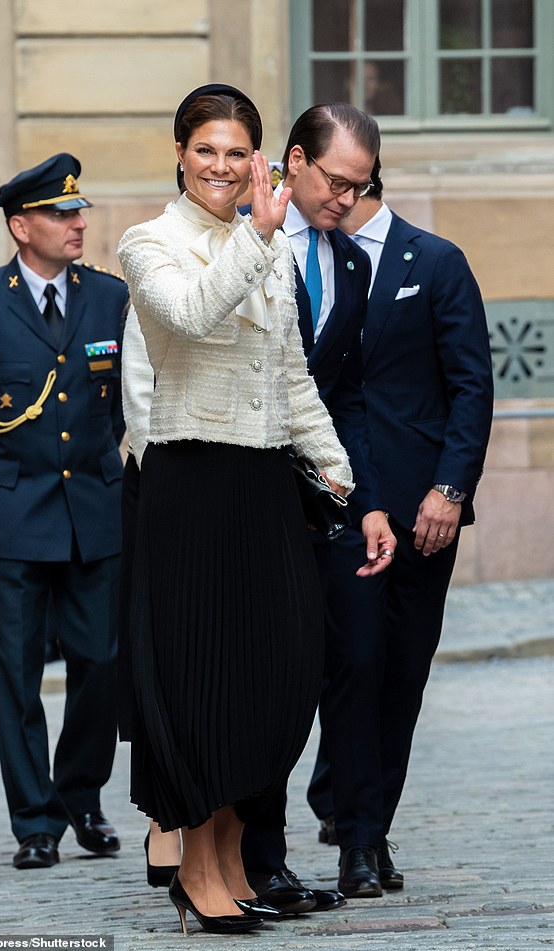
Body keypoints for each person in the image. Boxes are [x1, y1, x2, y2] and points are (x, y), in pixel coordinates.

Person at [116, 83, 359, 936]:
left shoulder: (271, 254)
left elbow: (292, 377)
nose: (220, 165)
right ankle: (202, 864)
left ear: (257, 160)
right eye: (206, 149)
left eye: (236, 151)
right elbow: (186, 318)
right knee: (205, 685)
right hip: (191, 486)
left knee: (277, 676)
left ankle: (223, 857)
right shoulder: (149, 243)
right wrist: (257, 233)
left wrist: (338, 471)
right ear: (181, 153)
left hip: (262, 485)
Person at [0, 153, 128, 870]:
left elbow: (120, 408)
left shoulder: (111, 298)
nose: (78, 223)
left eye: (79, 210)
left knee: (103, 663)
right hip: (13, 515)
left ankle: (80, 793)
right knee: (14, 673)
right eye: (60, 213)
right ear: (21, 227)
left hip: (95, 513)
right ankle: (36, 819)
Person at [306, 160, 494, 897]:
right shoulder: (308, 261)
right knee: (354, 665)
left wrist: (450, 489)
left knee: (402, 675)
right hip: (343, 501)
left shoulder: (436, 261)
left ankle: (372, 826)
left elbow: (472, 383)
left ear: (360, 185)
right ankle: (355, 838)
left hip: (425, 513)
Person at [238, 103, 397, 913]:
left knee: (360, 655)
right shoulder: (235, 241)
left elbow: (346, 397)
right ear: (293, 161)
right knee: (271, 674)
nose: (347, 200)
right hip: (251, 496)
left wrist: (366, 499)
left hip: (332, 499)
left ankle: (358, 838)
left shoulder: (354, 266)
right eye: (336, 181)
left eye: (361, 187)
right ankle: (260, 858)